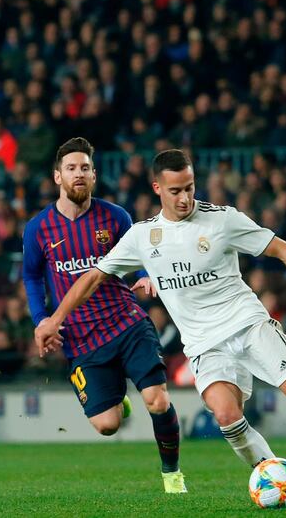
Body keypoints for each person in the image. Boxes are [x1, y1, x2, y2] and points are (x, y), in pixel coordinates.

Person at [36, 149, 286, 470]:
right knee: (226, 416)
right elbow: (91, 278)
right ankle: (271, 474)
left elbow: (281, 248)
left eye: (189, 188)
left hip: (248, 325)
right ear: (157, 189)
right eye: (175, 191)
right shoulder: (142, 236)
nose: (184, 198)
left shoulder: (222, 220)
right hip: (204, 345)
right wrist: (54, 319)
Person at [21, 138, 185, 493]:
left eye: (84, 168)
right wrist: (41, 320)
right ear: (57, 177)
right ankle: (115, 398)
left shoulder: (115, 217)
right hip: (82, 339)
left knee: (157, 399)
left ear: (94, 176)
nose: (78, 174)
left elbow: (142, 257)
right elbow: (32, 276)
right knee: (107, 425)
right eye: (71, 169)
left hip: (126, 322)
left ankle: (172, 474)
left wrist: (145, 273)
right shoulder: (38, 228)